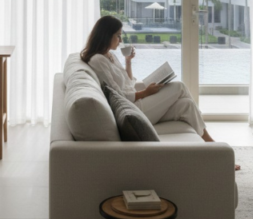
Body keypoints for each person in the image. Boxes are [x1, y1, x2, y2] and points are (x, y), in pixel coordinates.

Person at [82, 16, 240, 170]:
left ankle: (213, 150)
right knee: (179, 87)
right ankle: (214, 149)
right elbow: (119, 95)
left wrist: (128, 62)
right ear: (106, 35)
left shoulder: (110, 56)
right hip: (134, 108)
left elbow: (128, 83)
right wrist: (146, 92)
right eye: (118, 35)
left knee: (187, 105)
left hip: (137, 101)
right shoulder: (98, 60)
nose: (121, 40)